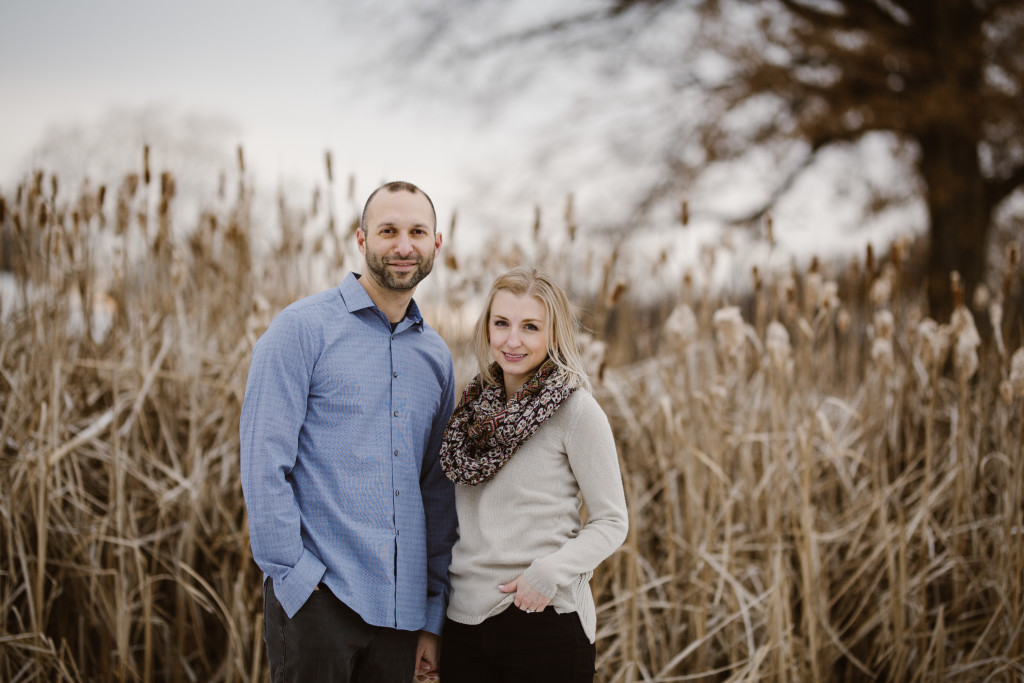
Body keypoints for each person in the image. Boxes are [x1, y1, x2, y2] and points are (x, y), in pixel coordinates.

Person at [240, 180, 457, 682]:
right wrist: (294, 577)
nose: (403, 246)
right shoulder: (301, 330)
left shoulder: (436, 357)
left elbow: (438, 490)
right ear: (361, 240)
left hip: (403, 615)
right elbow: (262, 460)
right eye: (388, 231)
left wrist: (432, 613)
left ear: (436, 244)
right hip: (320, 601)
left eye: (417, 232)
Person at [438, 267, 629, 682]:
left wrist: (546, 575)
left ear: (553, 334)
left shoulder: (576, 411)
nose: (512, 340)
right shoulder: (470, 414)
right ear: (486, 327)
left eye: (530, 327)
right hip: (464, 624)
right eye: (501, 323)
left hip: (544, 619)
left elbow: (612, 521)